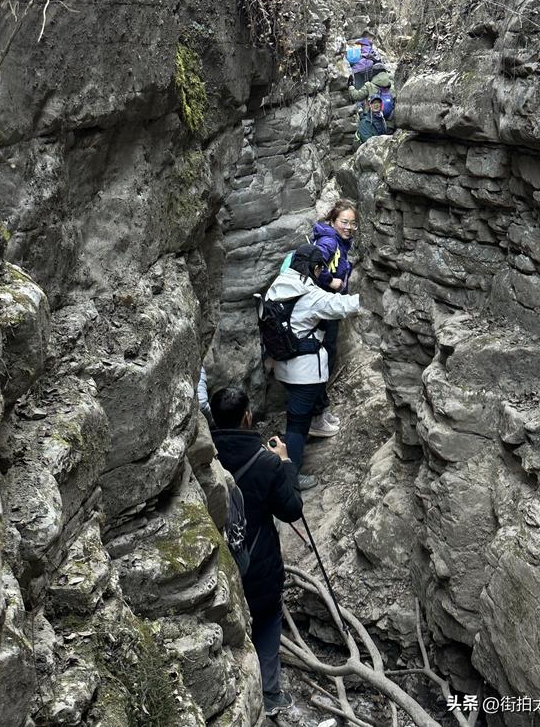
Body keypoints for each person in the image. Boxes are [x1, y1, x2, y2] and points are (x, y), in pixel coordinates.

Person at [210, 387, 302, 718]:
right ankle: (270, 696)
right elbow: (292, 509)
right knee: (266, 620)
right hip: (259, 564)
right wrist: (286, 463)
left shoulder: (206, 457)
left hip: (218, 566)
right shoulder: (267, 463)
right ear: (248, 416)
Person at [264, 244, 359, 489]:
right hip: (305, 372)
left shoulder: (278, 286)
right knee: (297, 424)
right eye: (320, 270)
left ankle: (308, 431)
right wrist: (364, 297)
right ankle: (292, 476)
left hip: (283, 367)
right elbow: (342, 306)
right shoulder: (310, 295)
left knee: (297, 413)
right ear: (315, 268)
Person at [309, 199, 358, 436]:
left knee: (326, 357)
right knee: (321, 359)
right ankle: (316, 417)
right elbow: (314, 265)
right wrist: (331, 281)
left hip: (327, 309)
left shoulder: (338, 241)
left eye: (352, 223)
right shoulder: (329, 241)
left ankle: (321, 410)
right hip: (322, 310)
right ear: (332, 221)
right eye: (344, 222)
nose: (349, 227)